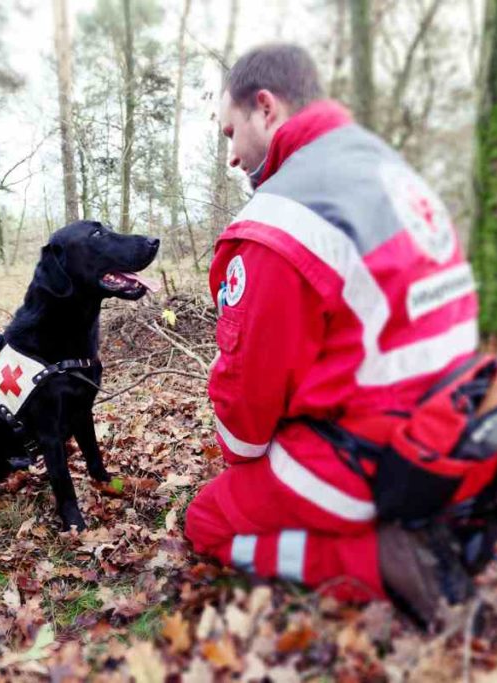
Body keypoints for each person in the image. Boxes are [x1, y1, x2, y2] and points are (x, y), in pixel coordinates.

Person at [184, 44, 480, 626]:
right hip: (451, 426)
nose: (233, 158)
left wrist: (249, 467)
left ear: (265, 109)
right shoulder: (386, 167)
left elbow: (245, 422)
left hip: (370, 455)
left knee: (208, 522)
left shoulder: (282, 218)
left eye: (229, 133)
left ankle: (380, 559)